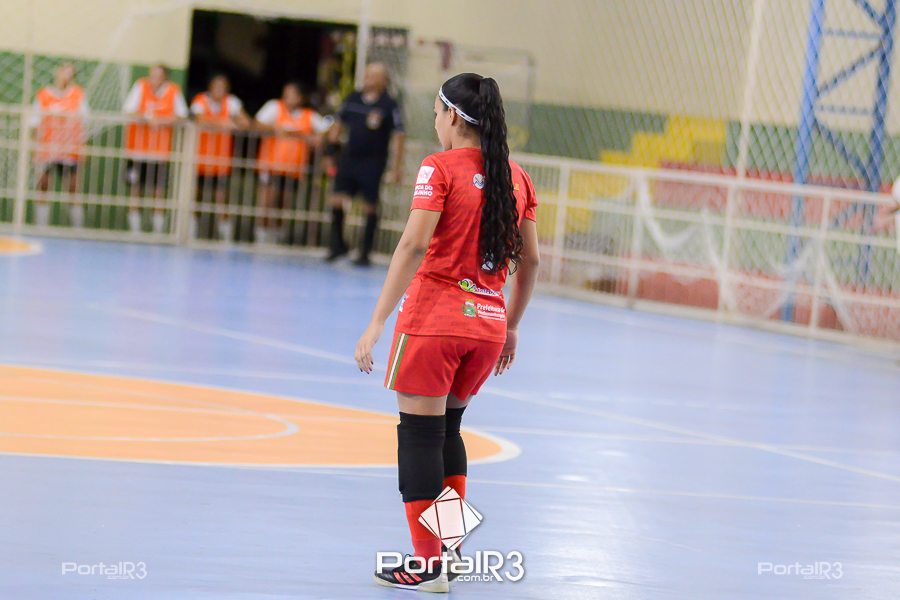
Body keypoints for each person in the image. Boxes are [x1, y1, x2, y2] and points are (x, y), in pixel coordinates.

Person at [354, 73, 541, 591]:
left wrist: (377, 320)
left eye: (437, 114)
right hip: (488, 325)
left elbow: (414, 245)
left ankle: (428, 563)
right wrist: (512, 326)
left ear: (453, 116)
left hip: (435, 321)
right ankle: (450, 554)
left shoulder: (438, 168)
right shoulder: (517, 177)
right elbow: (531, 261)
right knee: (449, 433)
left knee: (419, 437)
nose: (435, 123)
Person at [326, 62, 405, 266]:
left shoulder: (389, 105)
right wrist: (330, 150)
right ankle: (338, 245)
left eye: (373, 75)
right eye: (367, 74)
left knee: (369, 205)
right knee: (337, 199)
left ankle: (365, 251)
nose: (367, 78)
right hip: (349, 158)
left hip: (373, 162)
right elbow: (338, 123)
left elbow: (398, 135)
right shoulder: (353, 98)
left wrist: (396, 167)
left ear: (383, 80)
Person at [254, 82, 331, 244]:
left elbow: (328, 129)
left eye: (292, 94)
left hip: (293, 169)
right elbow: (257, 124)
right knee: (267, 202)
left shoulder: (308, 115)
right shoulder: (274, 107)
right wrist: (274, 129)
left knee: (284, 204)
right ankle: (262, 236)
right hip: (271, 165)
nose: (288, 97)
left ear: (300, 98)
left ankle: (277, 237)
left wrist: (318, 137)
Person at [123, 64, 188, 233]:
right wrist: (146, 117)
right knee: (135, 191)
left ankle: (157, 233)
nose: (154, 79)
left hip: (160, 153)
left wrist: (165, 120)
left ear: (165, 77)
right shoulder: (140, 86)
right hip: (137, 150)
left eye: (158, 76)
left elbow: (182, 116)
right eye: (152, 75)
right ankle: (135, 233)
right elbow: (129, 111)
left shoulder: (173, 91)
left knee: (158, 193)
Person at [190, 73, 250, 241]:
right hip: (199, 159)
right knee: (195, 198)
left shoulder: (232, 103)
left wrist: (234, 121)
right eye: (216, 86)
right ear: (210, 87)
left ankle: (225, 238)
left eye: (223, 87)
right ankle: (191, 234)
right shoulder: (200, 100)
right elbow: (198, 119)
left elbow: (245, 122)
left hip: (221, 160)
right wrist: (222, 123)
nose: (219, 90)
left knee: (222, 200)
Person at [31, 63, 89, 228]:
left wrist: (84, 147)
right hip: (47, 150)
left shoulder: (78, 95)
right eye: (63, 71)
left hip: (70, 150)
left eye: (70, 73)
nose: (66, 76)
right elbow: (34, 123)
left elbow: (85, 124)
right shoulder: (43, 95)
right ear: (57, 73)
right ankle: (41, 226)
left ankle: (78, 228)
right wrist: (35, 148)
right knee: (43, 185)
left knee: (73, 188)